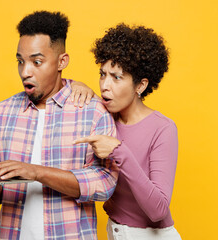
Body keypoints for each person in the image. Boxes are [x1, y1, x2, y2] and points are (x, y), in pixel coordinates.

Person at [0, 11, 118, 240]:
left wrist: (36, 172)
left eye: (36, 62)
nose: (25, 71)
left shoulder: (92, 112)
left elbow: (105, 183)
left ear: (62, 61)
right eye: (20, 61)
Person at [73, 23, 181, 239]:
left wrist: (119, 151)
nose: (105, 85)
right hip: (114, 231)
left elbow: (158, 209)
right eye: (102, 74)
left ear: (140, 86)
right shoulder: (104, 117)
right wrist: (78, 85)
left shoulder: (163, 128)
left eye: (117, 77)